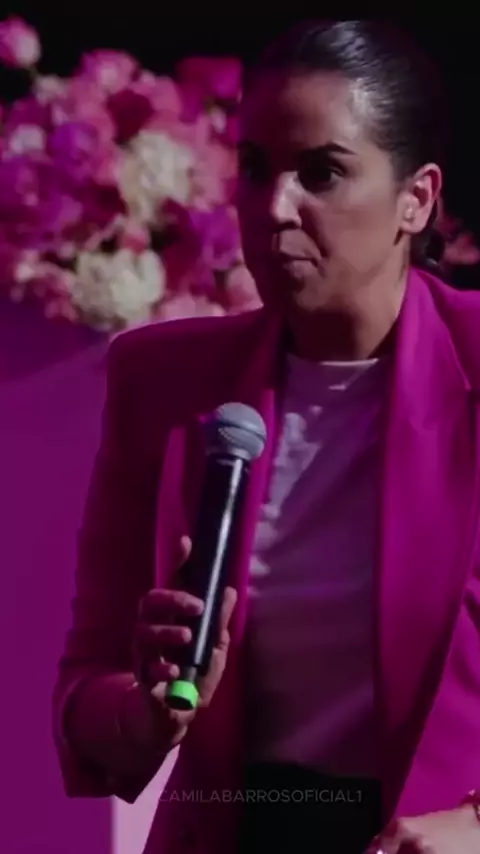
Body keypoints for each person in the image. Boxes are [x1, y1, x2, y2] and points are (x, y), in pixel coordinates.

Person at [53, 20, 480, 854]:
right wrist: (144, 713)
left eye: (321, 173)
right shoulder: (162, 380)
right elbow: (85, 686)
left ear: (417, 199)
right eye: (254, 168)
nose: (274, 207)